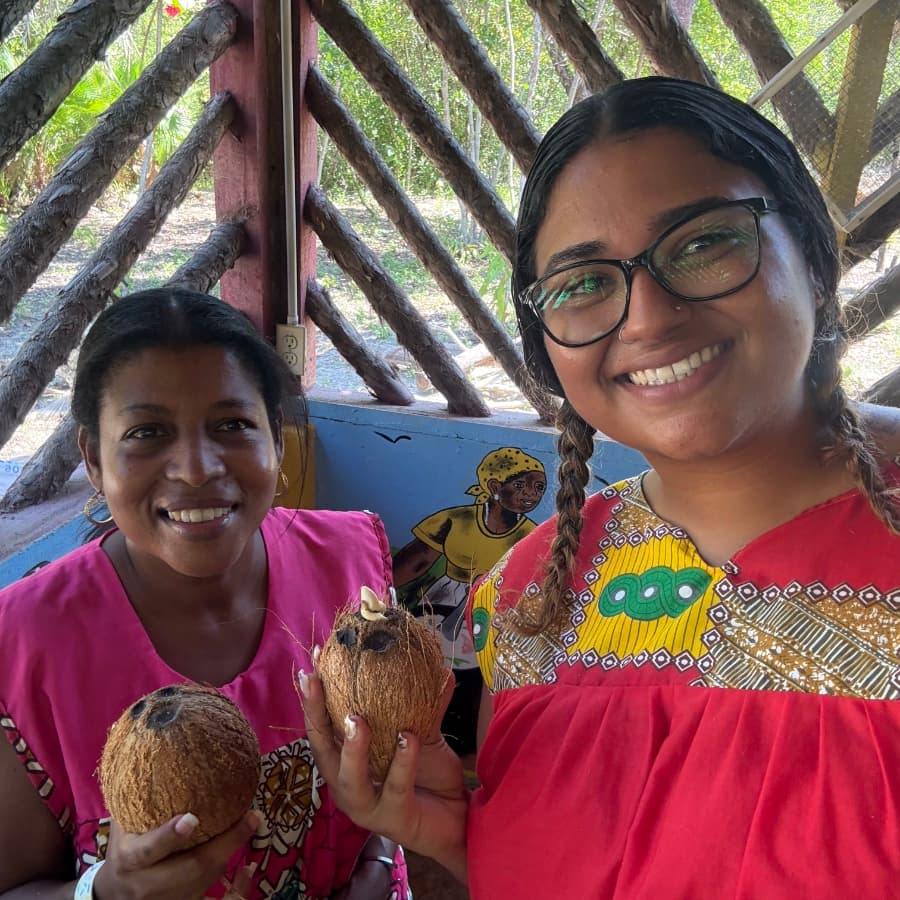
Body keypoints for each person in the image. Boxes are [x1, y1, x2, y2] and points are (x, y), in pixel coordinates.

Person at [300, 76, 900, 898]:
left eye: (702, 243)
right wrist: (465, 839)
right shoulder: (528, 599)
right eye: (584, 284)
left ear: (813, 255)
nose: (648, 316)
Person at [0, 288, 409, 899]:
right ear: (92, 458)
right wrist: (107, 893)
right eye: (147, 431)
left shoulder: (349, 564)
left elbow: (387, 766)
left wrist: (378, 865)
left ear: (276, 438)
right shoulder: (26, 640)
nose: (196, 467)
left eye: (232, 424)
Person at [392, 447, 546, 755]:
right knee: (431, 665)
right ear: (493, 487)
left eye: (538, 486)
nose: (530, 494)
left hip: (494, 608)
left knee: (478, 677)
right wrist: (377, 592)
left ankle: (466, 741)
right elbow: (417, 561)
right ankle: (424, 732)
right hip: (444, 601)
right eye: (520, 485)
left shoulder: (532, 534)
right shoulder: (456, 520)